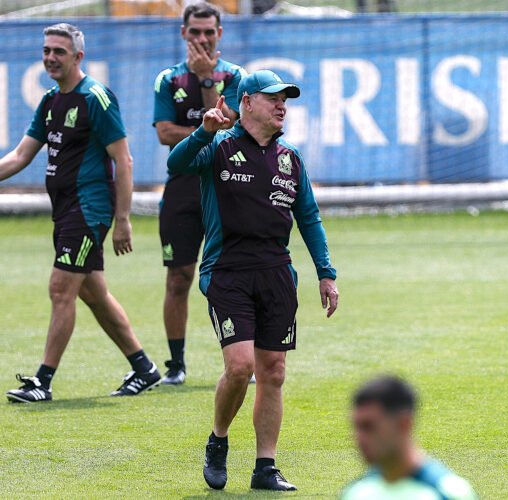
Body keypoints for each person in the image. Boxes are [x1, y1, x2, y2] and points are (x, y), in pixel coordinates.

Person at [167, 70, 339, 491]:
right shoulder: (218, 146)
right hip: (227, 273)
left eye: (286, 99)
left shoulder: (291, 158)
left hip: (277, 274)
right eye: (272, 98)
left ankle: (265, 467)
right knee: (241, 366)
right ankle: (219, 440)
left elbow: (309, 218)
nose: (282, 105)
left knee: (274, 371)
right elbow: (176, 164)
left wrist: (326, 273)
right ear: (246, 102)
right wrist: (202, 133)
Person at [1, 23, 160, 402]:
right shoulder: (51, 101)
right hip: (66, 210)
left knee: (60, 289)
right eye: (46, 51)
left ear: (78, 56)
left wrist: (122, 220)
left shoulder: (96, 98)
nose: (50, 58)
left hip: (89, 210)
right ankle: (144, 367)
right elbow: (21, 156)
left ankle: (43, 381)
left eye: (58, 51)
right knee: (92, 292)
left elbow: (124, 160)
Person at [153, 1, 245, 385]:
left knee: (237, 274)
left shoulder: (235, 76)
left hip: (228, 187)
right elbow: (162, 134)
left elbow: (226, 131)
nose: (202, 38)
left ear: (220, 33)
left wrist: (208, 82)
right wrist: (203, 131)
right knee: (179, 278)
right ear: (183, 33)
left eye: (209, 32)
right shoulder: (168, 79)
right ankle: (176, 366)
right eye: (195, 32)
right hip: (182, 192)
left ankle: (242, 360)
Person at [341, 376, 478, 500]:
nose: (359, 438)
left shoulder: (448, 494)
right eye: (357, 427)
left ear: (404, 424)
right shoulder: (354, 492)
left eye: (369, 427)